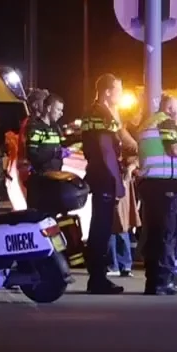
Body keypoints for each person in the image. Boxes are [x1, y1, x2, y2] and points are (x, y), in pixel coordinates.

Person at [73, 75, 135, 294]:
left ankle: (98, 277)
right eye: (118, 89)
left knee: (101, 226)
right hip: (104, 176)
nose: (121, 94)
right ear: (108, 91)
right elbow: (107, 149)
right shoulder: (101, 113)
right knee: (101, 228)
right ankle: (97, 279)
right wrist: (116, 181)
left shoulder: (96, 112)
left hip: (100, 174)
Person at [136, 95, 177, 296]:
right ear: (169, 109)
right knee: (166, 234)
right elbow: (174, 150)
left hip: (150, 184)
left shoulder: (147, 124)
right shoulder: (166, 122)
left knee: (153, 234)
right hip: (165, 184)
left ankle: (153, 281)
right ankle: (164, 282)